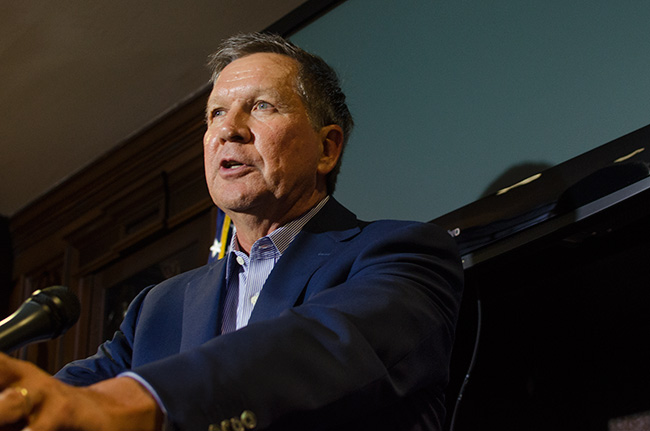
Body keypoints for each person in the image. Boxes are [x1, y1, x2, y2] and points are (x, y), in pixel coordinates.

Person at [0, 33, 463, 431]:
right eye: (216, 113)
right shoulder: (158, 309)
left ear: (327, 148)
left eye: (261, 106)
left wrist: (137, 401)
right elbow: (63, 396)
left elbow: (318, 350)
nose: (229, 130)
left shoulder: (403, 256)